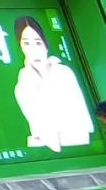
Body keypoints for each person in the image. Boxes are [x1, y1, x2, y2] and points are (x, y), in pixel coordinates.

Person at [13, 16, 94, 152]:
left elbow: (82, 121)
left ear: (45, 44)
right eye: (26, 43)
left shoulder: (64, 73)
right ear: (20, 46)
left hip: (78, 144)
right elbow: (38, 124)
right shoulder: (23, 83)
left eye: (38, 43)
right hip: (47, 149)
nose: (33, 49)